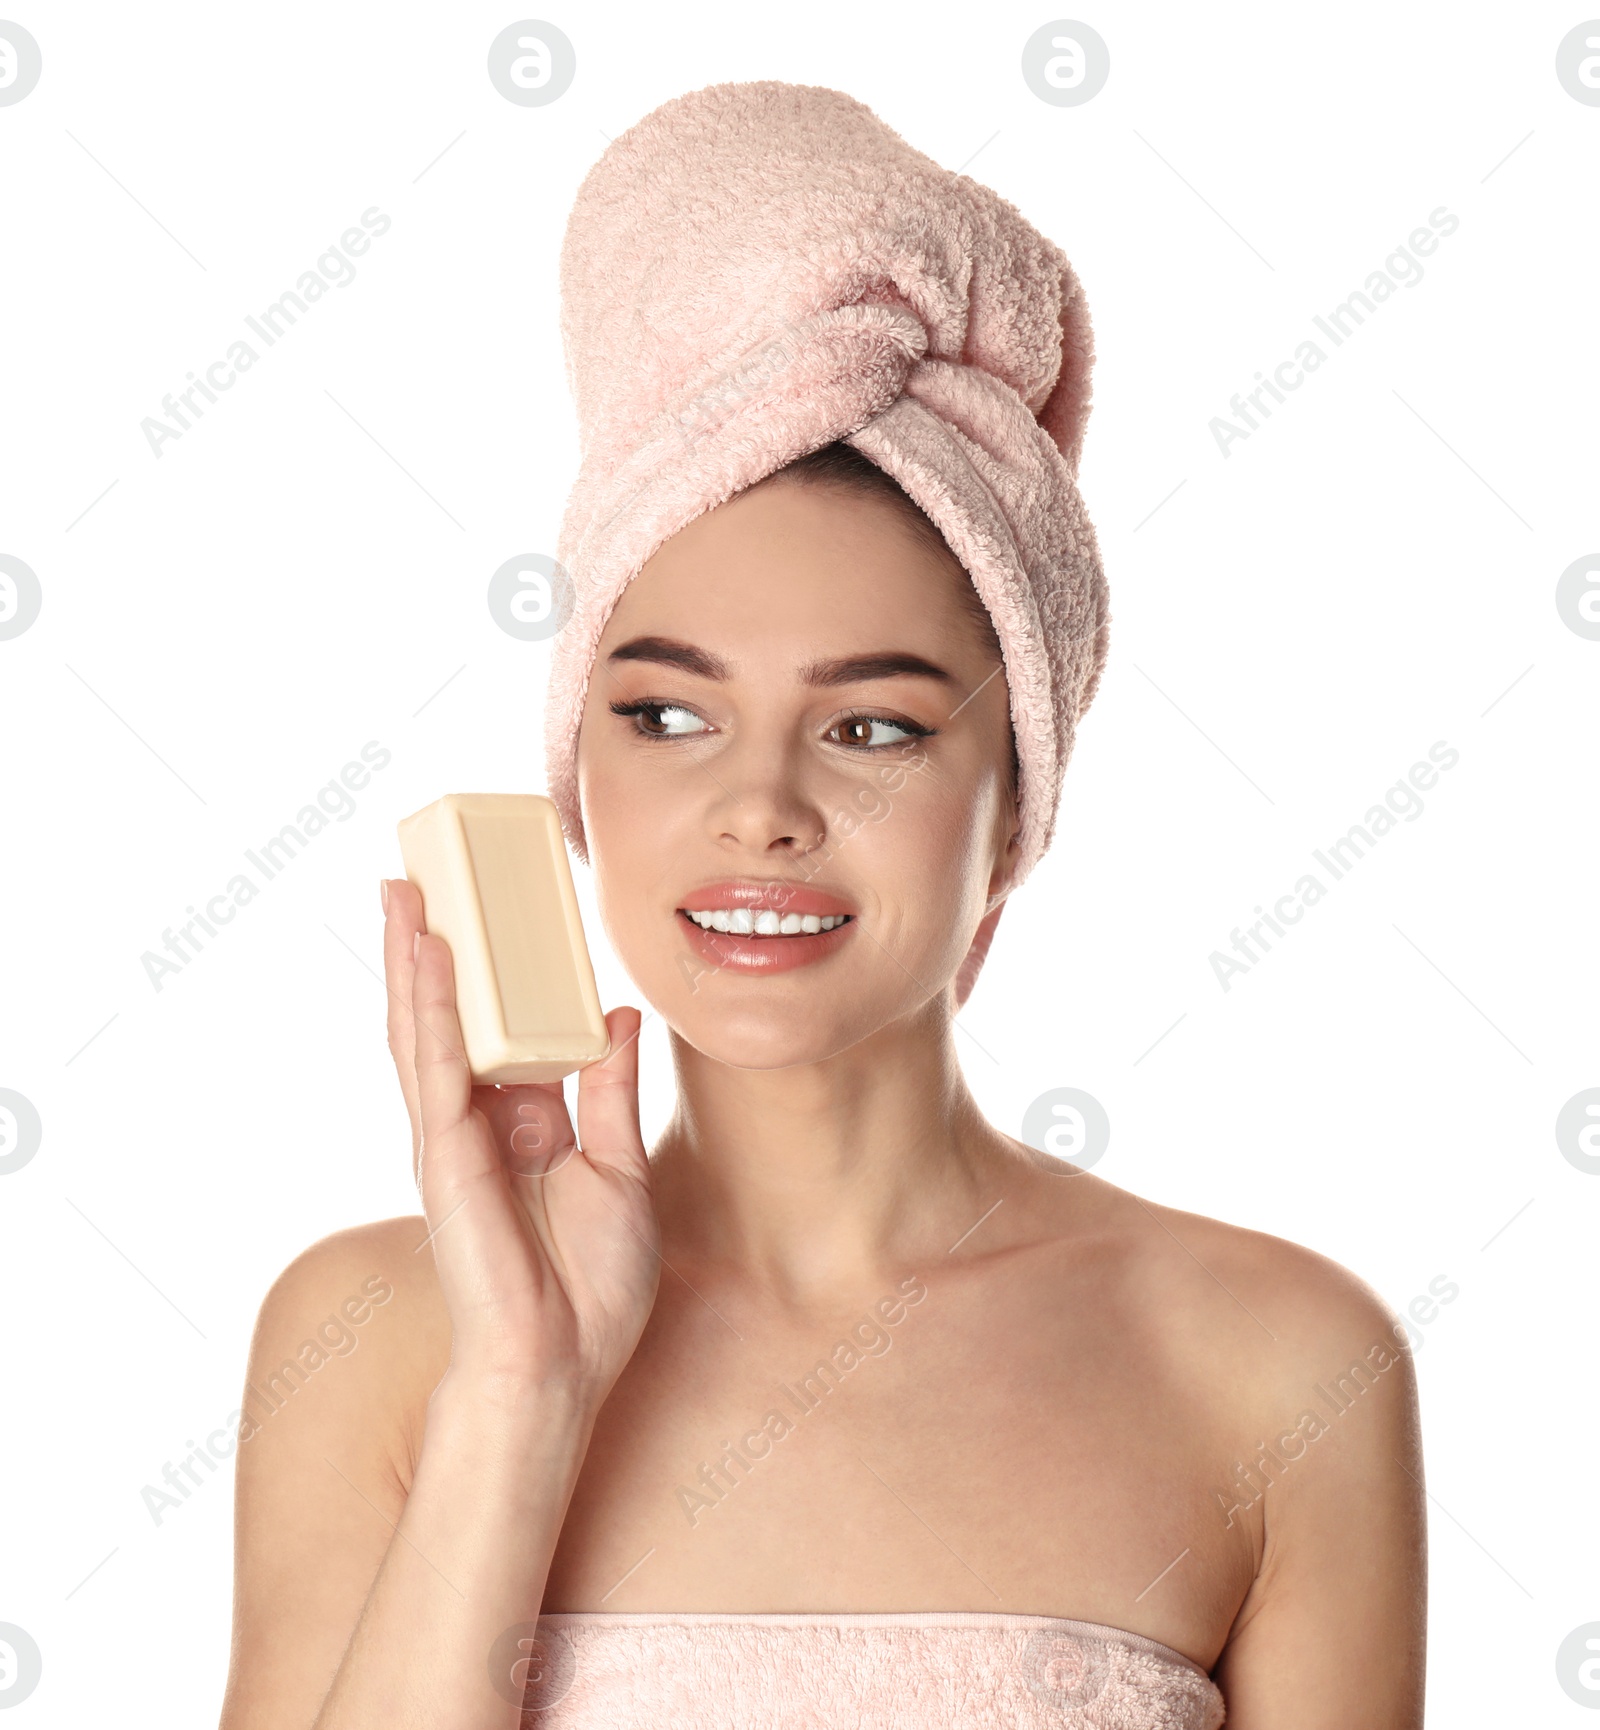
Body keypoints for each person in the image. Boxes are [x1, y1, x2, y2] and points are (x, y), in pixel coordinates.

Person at [219, 83, 1425, 1730]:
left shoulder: (1281, 1369)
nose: (762, 807)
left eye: (873, 727)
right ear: (576, 770)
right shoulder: (376, 1341)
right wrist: (522, 1393)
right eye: (664, 713)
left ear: (1018, 810)